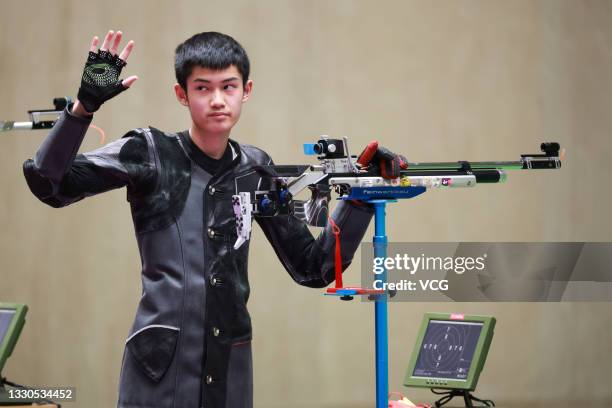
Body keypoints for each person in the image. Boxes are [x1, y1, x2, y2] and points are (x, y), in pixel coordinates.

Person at [22, 30, 404, 408]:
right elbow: (48, 184)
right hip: (161, 370)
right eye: (203, 88)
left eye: (229, 87)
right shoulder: (151, 151)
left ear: (247, 90)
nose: (218, 100)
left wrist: (361, 192)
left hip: (230, 367)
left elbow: (313, 267)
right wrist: (82, 109)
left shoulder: (256, 168)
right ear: (181, 95)